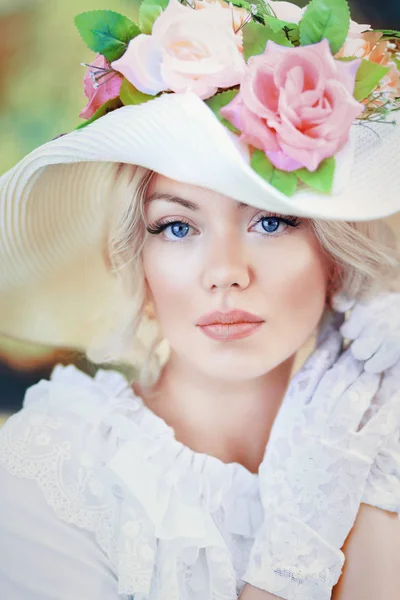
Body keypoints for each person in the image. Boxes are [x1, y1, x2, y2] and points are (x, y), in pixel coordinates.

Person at [0, 0, 400, 598]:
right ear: (138, 255)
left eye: (270, 221)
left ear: (335, 250)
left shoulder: (383, 440)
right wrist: (293, 557)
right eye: (178, 228)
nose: (225, 274)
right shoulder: (50, 469)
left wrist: (375, 489)